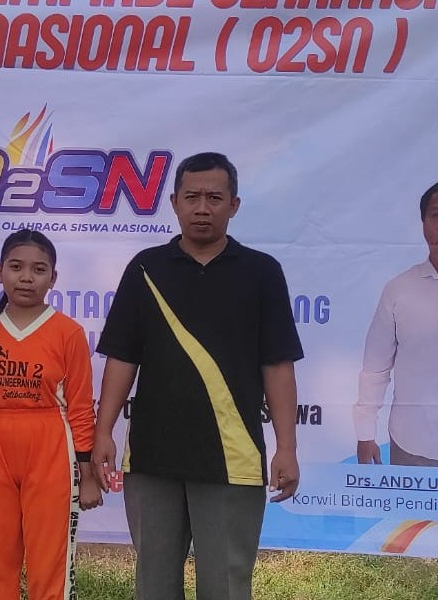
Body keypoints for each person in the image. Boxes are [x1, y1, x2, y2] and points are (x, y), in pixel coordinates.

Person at [92, 152, 303, 600]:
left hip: (232, 457)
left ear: (234, 205)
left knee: (226, 587)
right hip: (153, 456)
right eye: (191, 197)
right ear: (174, 203)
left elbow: (278, 365)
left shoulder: (261, 272)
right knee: (153, 585)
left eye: (214, 198)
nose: (202, 208)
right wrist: (103, 431)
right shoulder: (146, 268)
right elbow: (122, 357)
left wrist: (287, 447)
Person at [0, 230, 102, 600]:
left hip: (50, 448)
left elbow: (80, 408)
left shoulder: (68, 333)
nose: (26, 277)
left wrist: (87, 475)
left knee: (49, 561)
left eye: (38, 269)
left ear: (53, 278)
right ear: (0, 272)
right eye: (16, 267)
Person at [354, 182, 438, 467]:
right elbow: (375, 369)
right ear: (424, 224)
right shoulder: (399, 290)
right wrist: (365, 433)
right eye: (436, 215)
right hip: (412, 445)